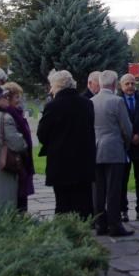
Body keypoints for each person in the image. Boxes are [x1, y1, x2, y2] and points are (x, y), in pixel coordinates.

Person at [37, 70, 96, 219]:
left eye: (51, 86)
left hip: (61, 163)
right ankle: (84, 235)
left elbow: (42, 134)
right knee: (84, 204)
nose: (50, 90)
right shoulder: (87, 103)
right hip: (84, 161)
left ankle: (66, 235)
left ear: (57, 86)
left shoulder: (53, 106)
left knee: (63, 204)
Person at [92, 70, 134, 237]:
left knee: (98, 190)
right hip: (114, 148)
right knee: (113, 190)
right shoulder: (117, 101)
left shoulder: (91, 101)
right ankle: (115, 225)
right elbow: (127, 128)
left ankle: (100, 224)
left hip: (96, 148)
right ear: (115, 84)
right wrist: (126, 142)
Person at [119, 73, 139, 223]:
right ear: (121, 86)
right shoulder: (117, 101)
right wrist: (129, 136)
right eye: (127, 84)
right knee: (122, 180)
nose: (130, 86)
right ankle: (123, 210)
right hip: (124, 146)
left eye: (132, 83)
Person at [2, 81, 35, 211]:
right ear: (8, 99)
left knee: (22, 195)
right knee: (19, 197)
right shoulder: (11, 114)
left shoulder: (17, 112)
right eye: (16, 97)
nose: (19, 100)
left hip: (23, 160)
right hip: (16, 160)